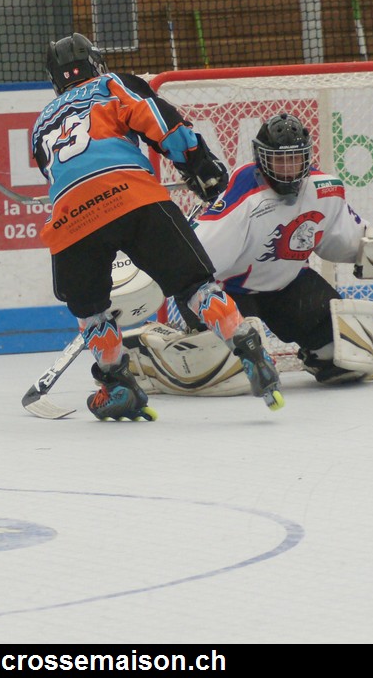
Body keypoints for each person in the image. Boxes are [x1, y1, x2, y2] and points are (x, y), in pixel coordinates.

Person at [31, 32, 284, 420]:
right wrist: (198, 165)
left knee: (91, 311)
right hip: (133, 195)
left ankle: (117, 385)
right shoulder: (110, 84)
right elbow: (159, 119)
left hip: (70, 219)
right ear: (95, 63)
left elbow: (60, 171)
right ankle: (247, 347)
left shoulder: (40, 124)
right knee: (195, 286)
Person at [136, 112, 373, 395]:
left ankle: (314, 354)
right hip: (227, 293)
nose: (287, 169)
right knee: (231, 373)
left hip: (287, 286)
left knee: (348, 356)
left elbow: (346, 242)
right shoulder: (244, 192)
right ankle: (156, 352)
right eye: (279, 161)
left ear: (307, 157)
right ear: (261, 158)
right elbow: (194, 259)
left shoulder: (325, 189)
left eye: (295, 159)